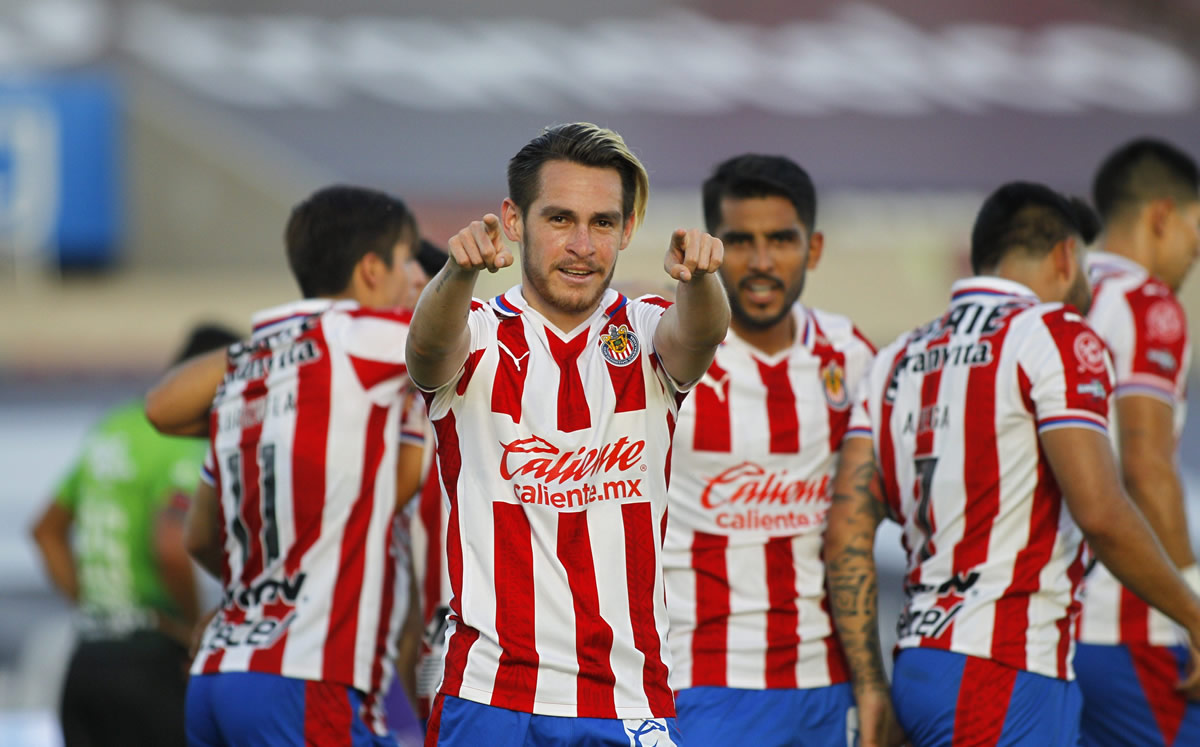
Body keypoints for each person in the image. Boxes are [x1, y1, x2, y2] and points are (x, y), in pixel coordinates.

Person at [824, 181, 1200, 746]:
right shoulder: (1057, 333)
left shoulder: (896, 358)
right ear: (1066, 256)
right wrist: (1195, 615)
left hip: (920, 659)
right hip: (1005, 668)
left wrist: (873, 682)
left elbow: (847, 530)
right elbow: (1100, 511)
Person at [404, 122, 730, 746]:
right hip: (491, 695)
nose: (582, 244)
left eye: (602, 223)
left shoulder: (644, 328)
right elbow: (425, 349)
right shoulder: (476, 334)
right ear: (514, 219)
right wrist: (457, 272)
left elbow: (699, 335)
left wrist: (702, 281)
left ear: (628, 229)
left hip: (629, 696)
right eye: (559, 219)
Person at [145, 185, 424, 745]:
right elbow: (457, 348)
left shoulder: (259, 365)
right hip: (306, 673)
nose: (414, 278)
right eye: (407, 261)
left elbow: (198, 526)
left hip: (222, 669)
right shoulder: (365, 338)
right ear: (372, 270)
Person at [660, 154, 875, 746]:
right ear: (713, 246)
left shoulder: (849, 354)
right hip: (697, 676)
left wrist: (873, 679)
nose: (760, 262)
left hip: (827, 682)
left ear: (814, 248)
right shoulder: (669, 357)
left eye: (781, 239)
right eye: (740, 241)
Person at [31, 322, 241, 747]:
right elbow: (171, 546)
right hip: (151, 662)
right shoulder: (185, 437)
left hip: (86, 659)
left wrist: (101, 608)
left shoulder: (115, 427)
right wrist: (187, 632)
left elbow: (46, 531)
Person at [1075, 138, 1200, 746]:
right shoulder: (1150, 304)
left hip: (1046, 625)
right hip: (1129, 622)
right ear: (1162, 215)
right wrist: (1192, 607)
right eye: (1195, 230)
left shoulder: (1053, 301)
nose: (1196, 253)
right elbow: (1146, 467)